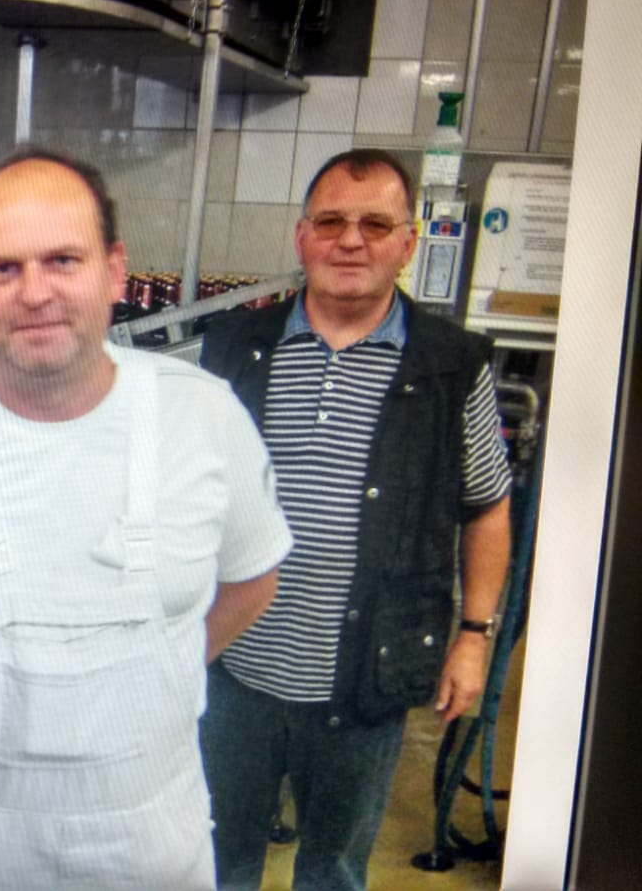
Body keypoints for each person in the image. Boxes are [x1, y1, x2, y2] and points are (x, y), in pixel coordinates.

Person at [0, 148, 292, 889]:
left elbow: (252, 580)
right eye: (4, 269)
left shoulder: (204, 420)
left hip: (149, 844)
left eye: (63, 261)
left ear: (114, 271)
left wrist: (154, 669)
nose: (35, 292)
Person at [198, 149, 513, 891]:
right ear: (301, 236)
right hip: (232, 663)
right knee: (213, 862)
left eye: (375, 225)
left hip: (367, 675)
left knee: (335, 869)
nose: (350, 241)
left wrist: (473, 637)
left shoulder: (451, 364)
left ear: (408, 244)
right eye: (331, 222)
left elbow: (487, 508)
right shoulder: (234, 347)